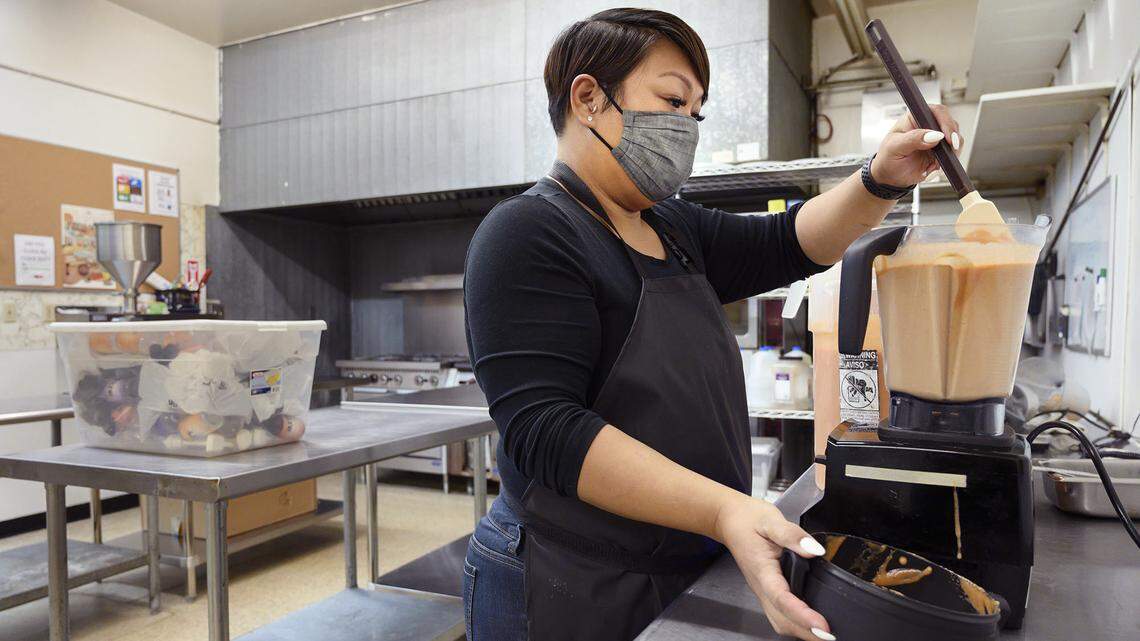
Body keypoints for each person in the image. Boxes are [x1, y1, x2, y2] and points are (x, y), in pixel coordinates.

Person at [462, 8, 962, 641]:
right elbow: (545, 431)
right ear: (587, 97)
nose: (686, 127)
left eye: (696, 112)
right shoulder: (527, 233)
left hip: (675, 563)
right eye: (673, 99)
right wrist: (724, 509)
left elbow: (789, 241)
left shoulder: (673, 227)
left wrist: (880, 178)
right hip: (565, 577)